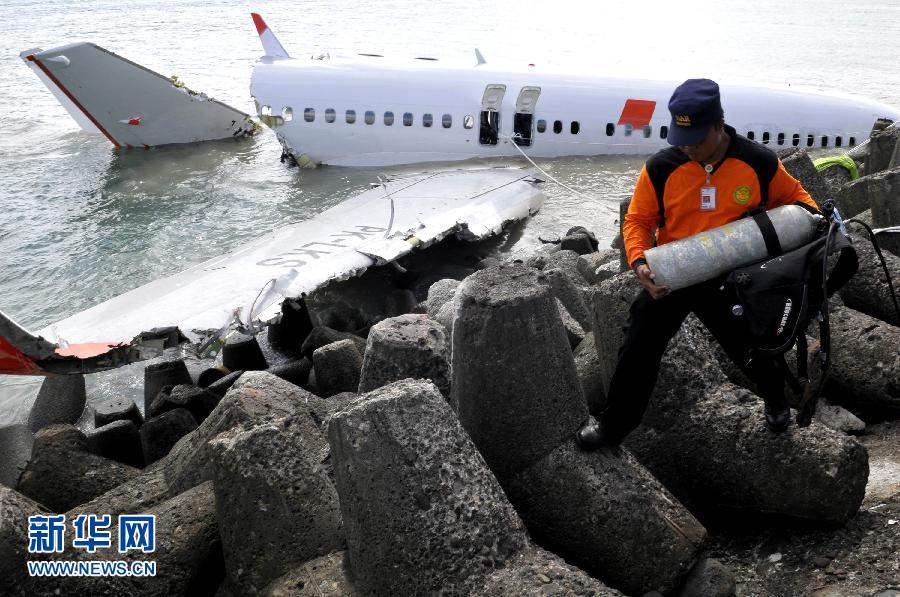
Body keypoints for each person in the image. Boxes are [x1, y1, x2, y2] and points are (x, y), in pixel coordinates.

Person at [577, 78, 820, 449]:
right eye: (681, 140)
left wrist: (786, 243)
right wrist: (640, 260)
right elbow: (638, 221)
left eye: (697, 140)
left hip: (732, 273)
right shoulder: (661, 168)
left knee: (751, 345)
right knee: (639, 341)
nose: (688, 148)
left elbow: (801, 205)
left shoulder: (756, 162)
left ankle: (776, 401)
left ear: (719, 125)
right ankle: (614, 427)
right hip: (677, 270)